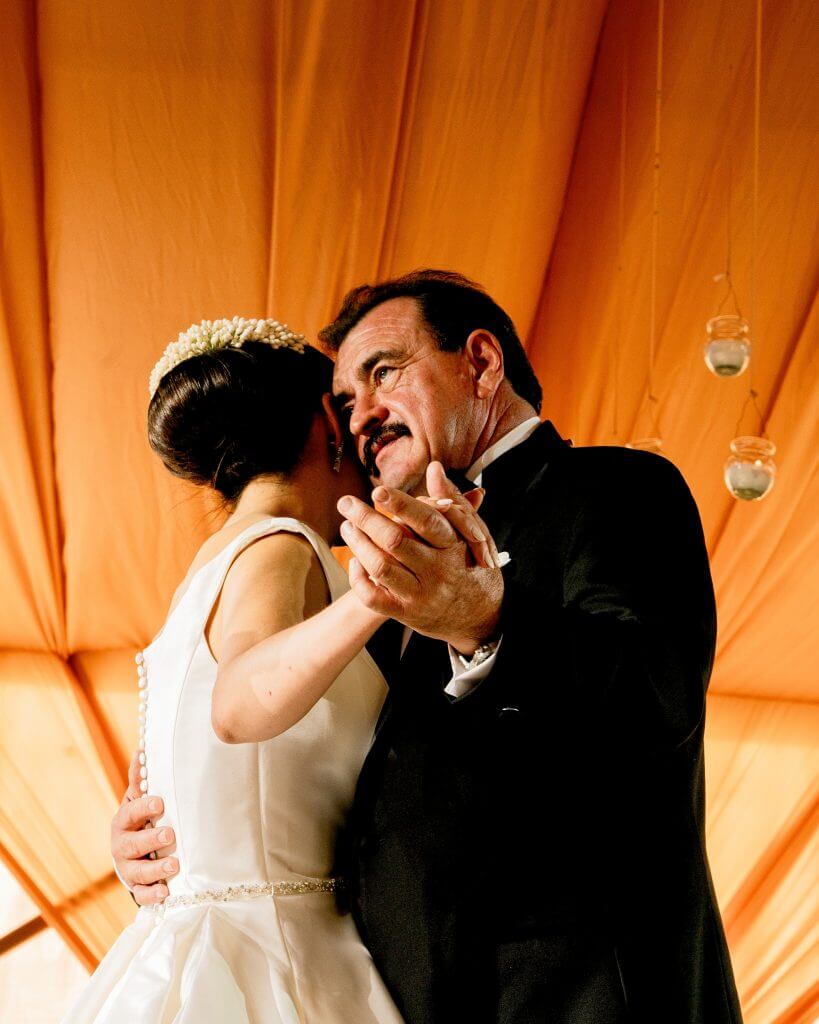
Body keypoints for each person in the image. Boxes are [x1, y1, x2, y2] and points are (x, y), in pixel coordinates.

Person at [113, 270, 743, 1023]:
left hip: (583, 1000)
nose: (360, 417)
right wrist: (171, 840)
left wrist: (487, 623)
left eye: (383, 373)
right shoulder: (375, 570)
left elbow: (655, 698)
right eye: (342, 401)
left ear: (480, 362)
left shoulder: (613, 489)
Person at [70, 317, 497, 1024]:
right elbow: (237, 704)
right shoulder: (282, 545)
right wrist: (377, 593)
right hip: (275, 952)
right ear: (328, 424)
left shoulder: (203, 572)